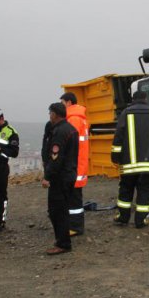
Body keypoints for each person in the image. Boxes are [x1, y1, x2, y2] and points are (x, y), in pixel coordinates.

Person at [110, 91, 149, 228]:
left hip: (129, 165)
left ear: (133, 99)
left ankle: (122, 218)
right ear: (146, 99)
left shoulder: (126, 113)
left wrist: (115, 158)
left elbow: (118, 137)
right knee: (144, 191)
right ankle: (140, 221)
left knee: (125, 190)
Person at [42, 103, 78, 255]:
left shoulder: (59, 132)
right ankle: (62, 241)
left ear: (55, 114)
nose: (49, 115)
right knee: (61, 210)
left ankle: (63, 243)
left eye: (50, 113)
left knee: (57, 211)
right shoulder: (71, 129)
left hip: (60, 177)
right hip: (69, 174)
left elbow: (56, 158)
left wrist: (47, 176)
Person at [60, 92, 89, 236]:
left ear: (69, 103)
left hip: (74, 164)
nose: (61, 105)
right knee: (74, 196)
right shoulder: (79, 117)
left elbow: (69, 141)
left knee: (74, 198)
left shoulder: (73, 119)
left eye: (63, 103)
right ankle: (74, 225)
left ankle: (76, 227)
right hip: (78, 163)